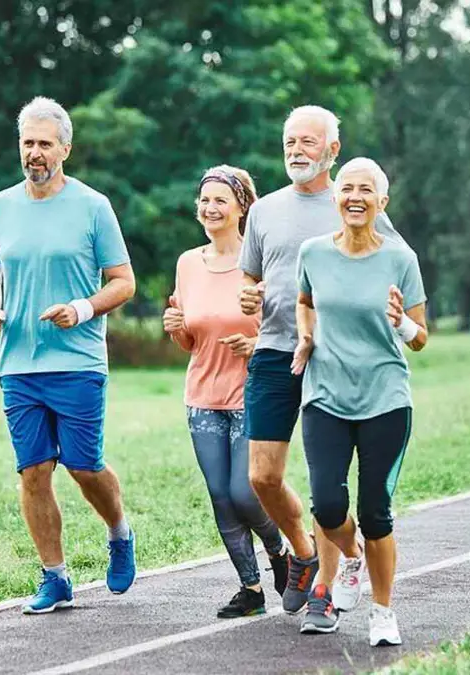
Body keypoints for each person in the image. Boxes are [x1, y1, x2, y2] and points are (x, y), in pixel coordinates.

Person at [238, 105, 404, 626]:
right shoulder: (264, 210)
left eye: (308, 143)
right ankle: (307, 554)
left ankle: (326, 593)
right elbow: (249, 279)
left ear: (332, 150)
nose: (296, 151)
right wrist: (249, 298)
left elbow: (393, 265)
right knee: (261, 477)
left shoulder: (351, 201)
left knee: (323, 481)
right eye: (289, 142)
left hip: (334, 357)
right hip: (273, 350)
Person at [0, 96, 137, 615]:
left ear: (65, 148)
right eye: (28, 143)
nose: (35, 153)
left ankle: (118, 531)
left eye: (45, 143)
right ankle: (55, 576)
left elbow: (124, 282)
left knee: (84, 467)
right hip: (18, 364)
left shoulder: (93, 206)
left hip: (78, 361)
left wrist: (82, 308)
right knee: (34, 471)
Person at [291, 157, 427, 645]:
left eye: (365, 190)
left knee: (375, 513)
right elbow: (304, 302)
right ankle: (351, 558)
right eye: (347, 188)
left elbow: (421, 338)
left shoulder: (399, 259)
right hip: (325, 394)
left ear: (381, 203)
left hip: (385, 398)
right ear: (335, 198)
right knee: (328, 504)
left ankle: (383, 611)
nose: (354, 197)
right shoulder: (312, 253)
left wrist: (401, 323)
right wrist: (305, 338)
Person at [163, 166, 289, 618]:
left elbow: (286, 329)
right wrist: (175, 329)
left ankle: (279, 553)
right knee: (220, 495)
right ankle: (250, 590)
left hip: (252, 393)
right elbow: (190, 340)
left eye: (220, 200)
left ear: (242, 208)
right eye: (204, 201)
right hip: (202, 396)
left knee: (244, 492)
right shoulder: (187, 263)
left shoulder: (261, 264)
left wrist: (256, 345)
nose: (210, 208)